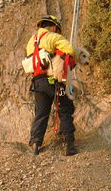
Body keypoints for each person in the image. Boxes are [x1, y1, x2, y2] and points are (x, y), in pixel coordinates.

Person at [26, 15, 78, 156]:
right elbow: (70, 50)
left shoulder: (32, 41)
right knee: (64, 109)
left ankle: (36, 144)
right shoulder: (53, 37)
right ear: (54, 27)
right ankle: (69, 145)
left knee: (41, 113)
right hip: (55, 82)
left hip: (38, 83)